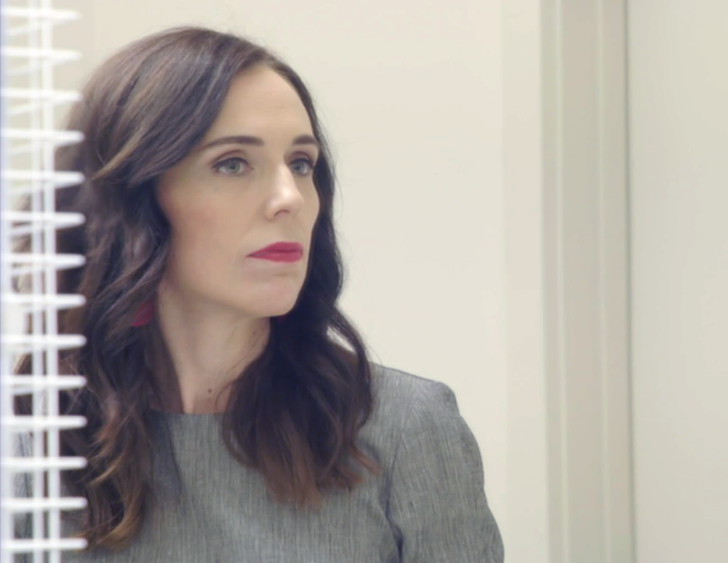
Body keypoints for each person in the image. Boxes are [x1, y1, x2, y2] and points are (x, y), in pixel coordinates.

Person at [11, 26, 503, 563]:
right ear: (135, 199)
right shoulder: (33, 440)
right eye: (233, 164)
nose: (290, 198)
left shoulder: (407, 429)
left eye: (301, 164)